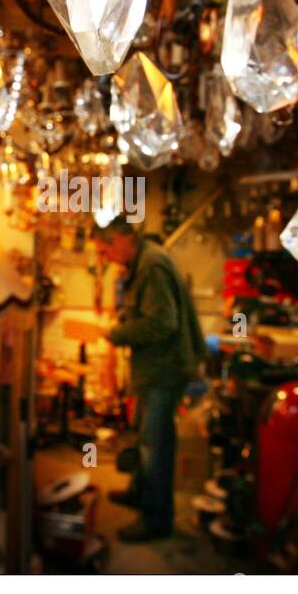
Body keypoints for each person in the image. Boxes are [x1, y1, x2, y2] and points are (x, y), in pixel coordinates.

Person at [93, 214, 206, 542]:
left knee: (155, 442)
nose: (106, 258)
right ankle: (140, 492)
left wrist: (116, 333)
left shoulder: (152, 266)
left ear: (120, 240)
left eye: (106, 251)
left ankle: (156, 518)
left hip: (166, 368)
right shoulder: (144, 261)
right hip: (157, 367)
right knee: (145, 433)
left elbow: (162, 323)